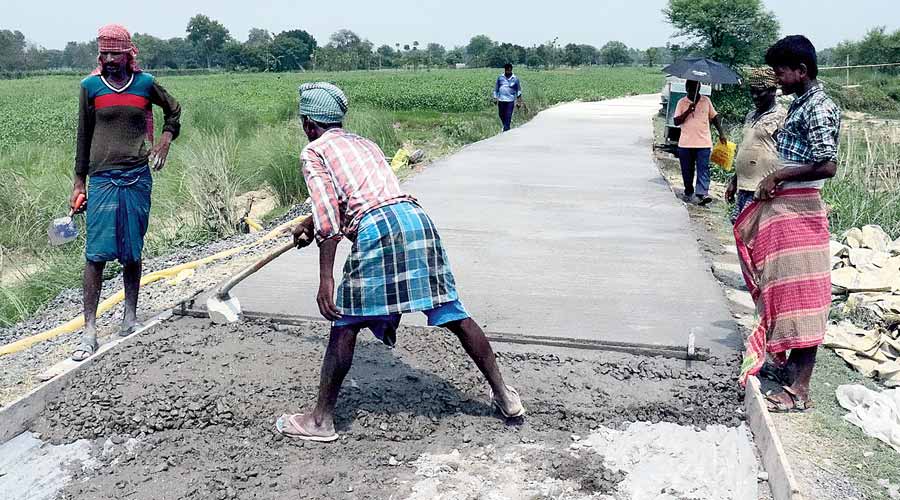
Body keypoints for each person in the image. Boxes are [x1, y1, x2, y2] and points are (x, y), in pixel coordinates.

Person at [275, 83, 524, 442]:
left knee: (345, 322)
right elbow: (363, 196)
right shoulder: (365, 144)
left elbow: (330, 214)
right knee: (453, 312)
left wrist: (325, 278)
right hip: (415, 221)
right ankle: (505, 397)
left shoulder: (314, 152)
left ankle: (320, 421)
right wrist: (307, 223)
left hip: (379, 230)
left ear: (308, 124)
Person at [735, 35, 841, 413]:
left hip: (801, 209)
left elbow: (827, 165)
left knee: (802, 296)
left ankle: (801, 389)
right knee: (783, 290)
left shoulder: (819, 107)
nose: (777, 79)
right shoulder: (801, 103)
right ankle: (790, 369)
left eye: (781, 72)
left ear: (801, 70)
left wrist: (778, 176)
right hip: (787, 208)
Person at [69, 25, 181, 361]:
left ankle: (130, 317)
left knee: (132, 248)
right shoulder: (90, 87)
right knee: (96, 253)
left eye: (115, 53)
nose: (110, 59)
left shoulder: (145, 84)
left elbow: (174, 110)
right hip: (102, 178)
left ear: (128, 54)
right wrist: (79, 182)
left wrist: (165, 140)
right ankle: (89, 331)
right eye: (105, 53)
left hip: (136, 176)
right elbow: (83, 135)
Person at [725, 68, 786, 223]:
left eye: (759, 92)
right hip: (744, 185)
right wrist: (734, 181)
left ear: (772, 91)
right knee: (739, 226)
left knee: (752, 229)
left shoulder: (781, 116)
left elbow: (785, 155)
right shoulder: (751, 115)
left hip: (762, 188)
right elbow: (746, 147)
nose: (754, 96)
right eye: (752, 92)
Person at [673, 80, 728, 205]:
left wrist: (721, 133)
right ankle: (688, 191)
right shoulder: (681, 102)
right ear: (686, 88)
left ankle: (701, 194)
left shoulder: (706, 101)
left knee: (704, 169)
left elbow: (714, 117)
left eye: (695, 87)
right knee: (687, 170)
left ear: (699, 88)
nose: (692, 90)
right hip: (686, 143)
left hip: (703, 143)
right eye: (690, 88)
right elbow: (676, 121)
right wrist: (688, 111)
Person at [492, 63, 522, 132]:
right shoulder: (500, 78)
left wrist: (519, 101)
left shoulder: (515, 79)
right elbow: (496, 88)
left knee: (508, 115)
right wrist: (495, 97)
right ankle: (506, 126)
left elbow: (518, 91)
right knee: (501, 114)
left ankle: (506, 129)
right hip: (501, 99)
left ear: (511, 70)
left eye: (509, 70)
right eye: (507, 70)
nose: (508, 72)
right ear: (505, 70)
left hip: (510, 100)